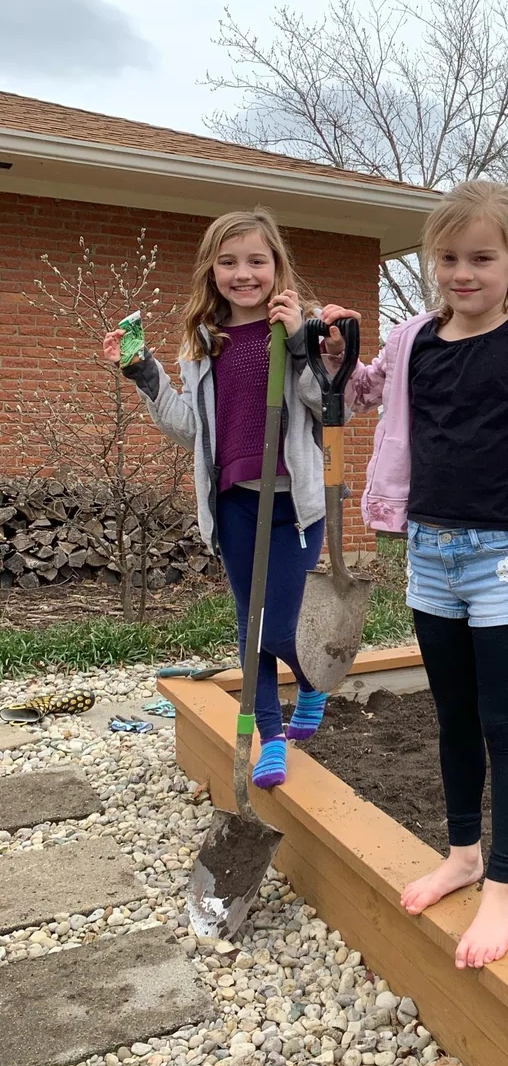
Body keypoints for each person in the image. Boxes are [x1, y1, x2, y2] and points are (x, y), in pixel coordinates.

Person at [320, 179, 508, 970]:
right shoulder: (414, 337)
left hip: (500, 559)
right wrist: (330, 350)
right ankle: (463, 853)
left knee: (501, 720)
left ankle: (506, 886)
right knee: (452, 716)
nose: (463, 272)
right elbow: (354, 395)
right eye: (448, 257)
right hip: (430, 553)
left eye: (481, 257)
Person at [102, 208, 346, 789]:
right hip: (236, 502)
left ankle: (311, 681)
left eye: (257, 261)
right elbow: (193, 428)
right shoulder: (204, 344)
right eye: (229, 261)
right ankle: (271, 738)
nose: (244, 273)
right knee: (250, 625)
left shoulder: (303, 331)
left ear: (277, 267)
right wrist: (146, 374)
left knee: (281, 628)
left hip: (295, 505)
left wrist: (301, 346)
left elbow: (326, 404)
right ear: (211, 271)